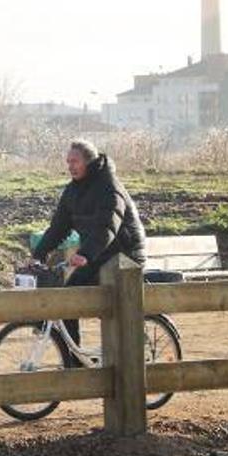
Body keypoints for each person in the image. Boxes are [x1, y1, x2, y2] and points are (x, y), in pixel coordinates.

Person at [31, 139, 146, 350]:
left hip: (125, 256)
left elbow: (107, 227)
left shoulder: (109, 186)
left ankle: (128, 352)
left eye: (75, 161)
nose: (70, 166)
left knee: (110, 308)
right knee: (69, 300)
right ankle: (75, 363)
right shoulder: (72, 191)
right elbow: (58, 228)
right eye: (68, 162)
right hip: (97, 256)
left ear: (89, 161)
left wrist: (85, 254)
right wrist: (38, 254)